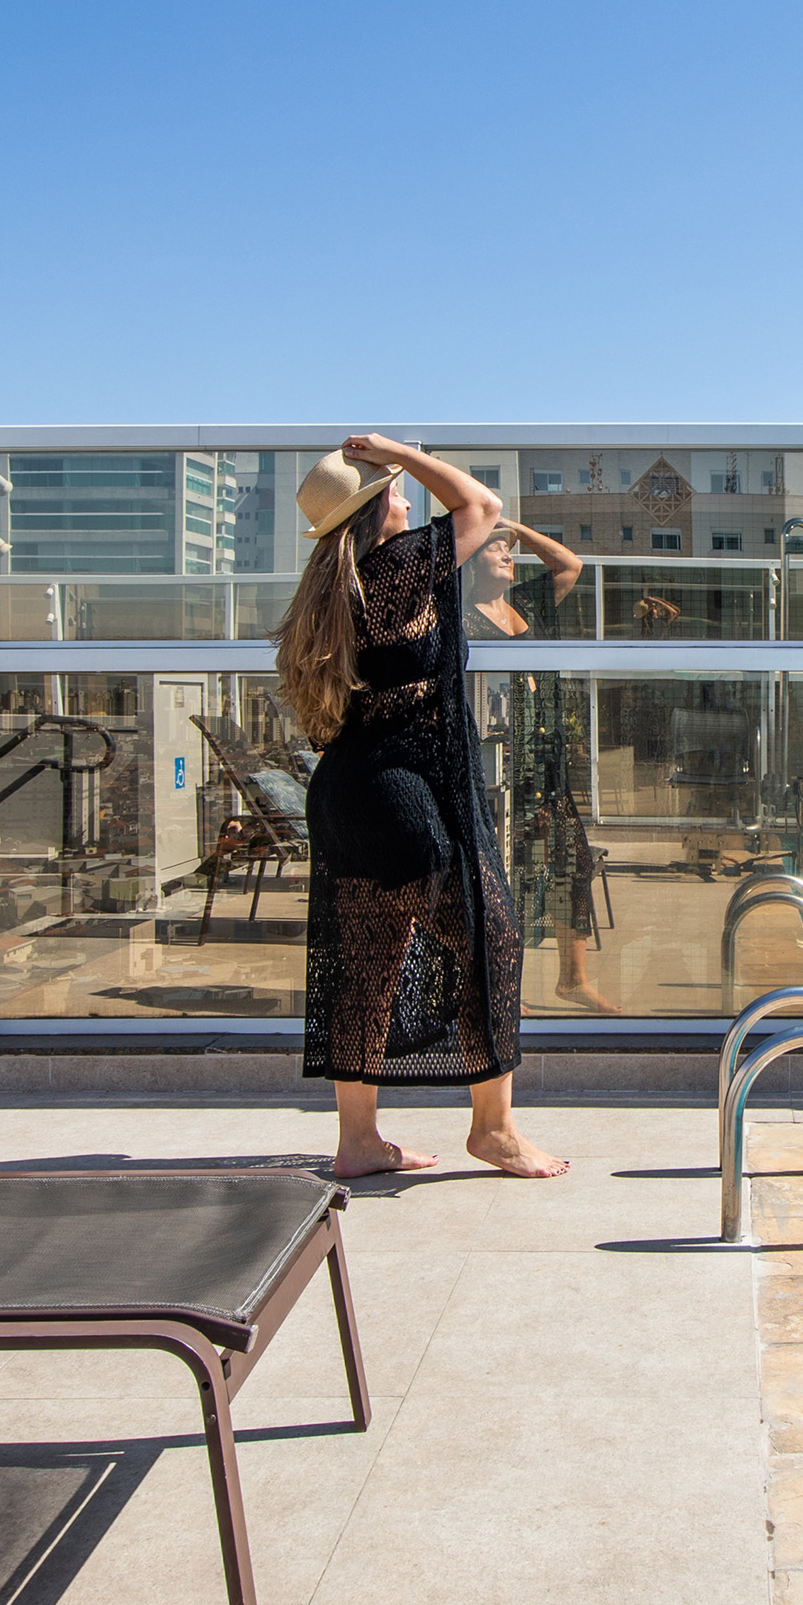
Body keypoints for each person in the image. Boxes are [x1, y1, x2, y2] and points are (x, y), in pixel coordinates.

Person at [273, 434, 567, 1180]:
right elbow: (481, 504)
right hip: (399, 795)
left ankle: (358, 1142)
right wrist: (397, 447)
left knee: (366, 965)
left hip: (347, 792)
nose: (407, 496)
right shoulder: (396, 566)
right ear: (374, 511)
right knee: (491, 939)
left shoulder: (332, 583)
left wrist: (390, 461)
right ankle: (493, 1130)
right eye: (394, 488)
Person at [466, 520, 626, 1015]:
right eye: (495, 547)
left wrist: (514, 527)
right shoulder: (463, 617)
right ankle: (500, 988)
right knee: (508, 876)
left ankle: (571, 980)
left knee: (572, 865)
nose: (507, 553)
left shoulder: (529, 603)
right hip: (502, 770)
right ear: (471, 559)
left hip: (546, 764)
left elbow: (570, 564)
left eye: (509, 548)